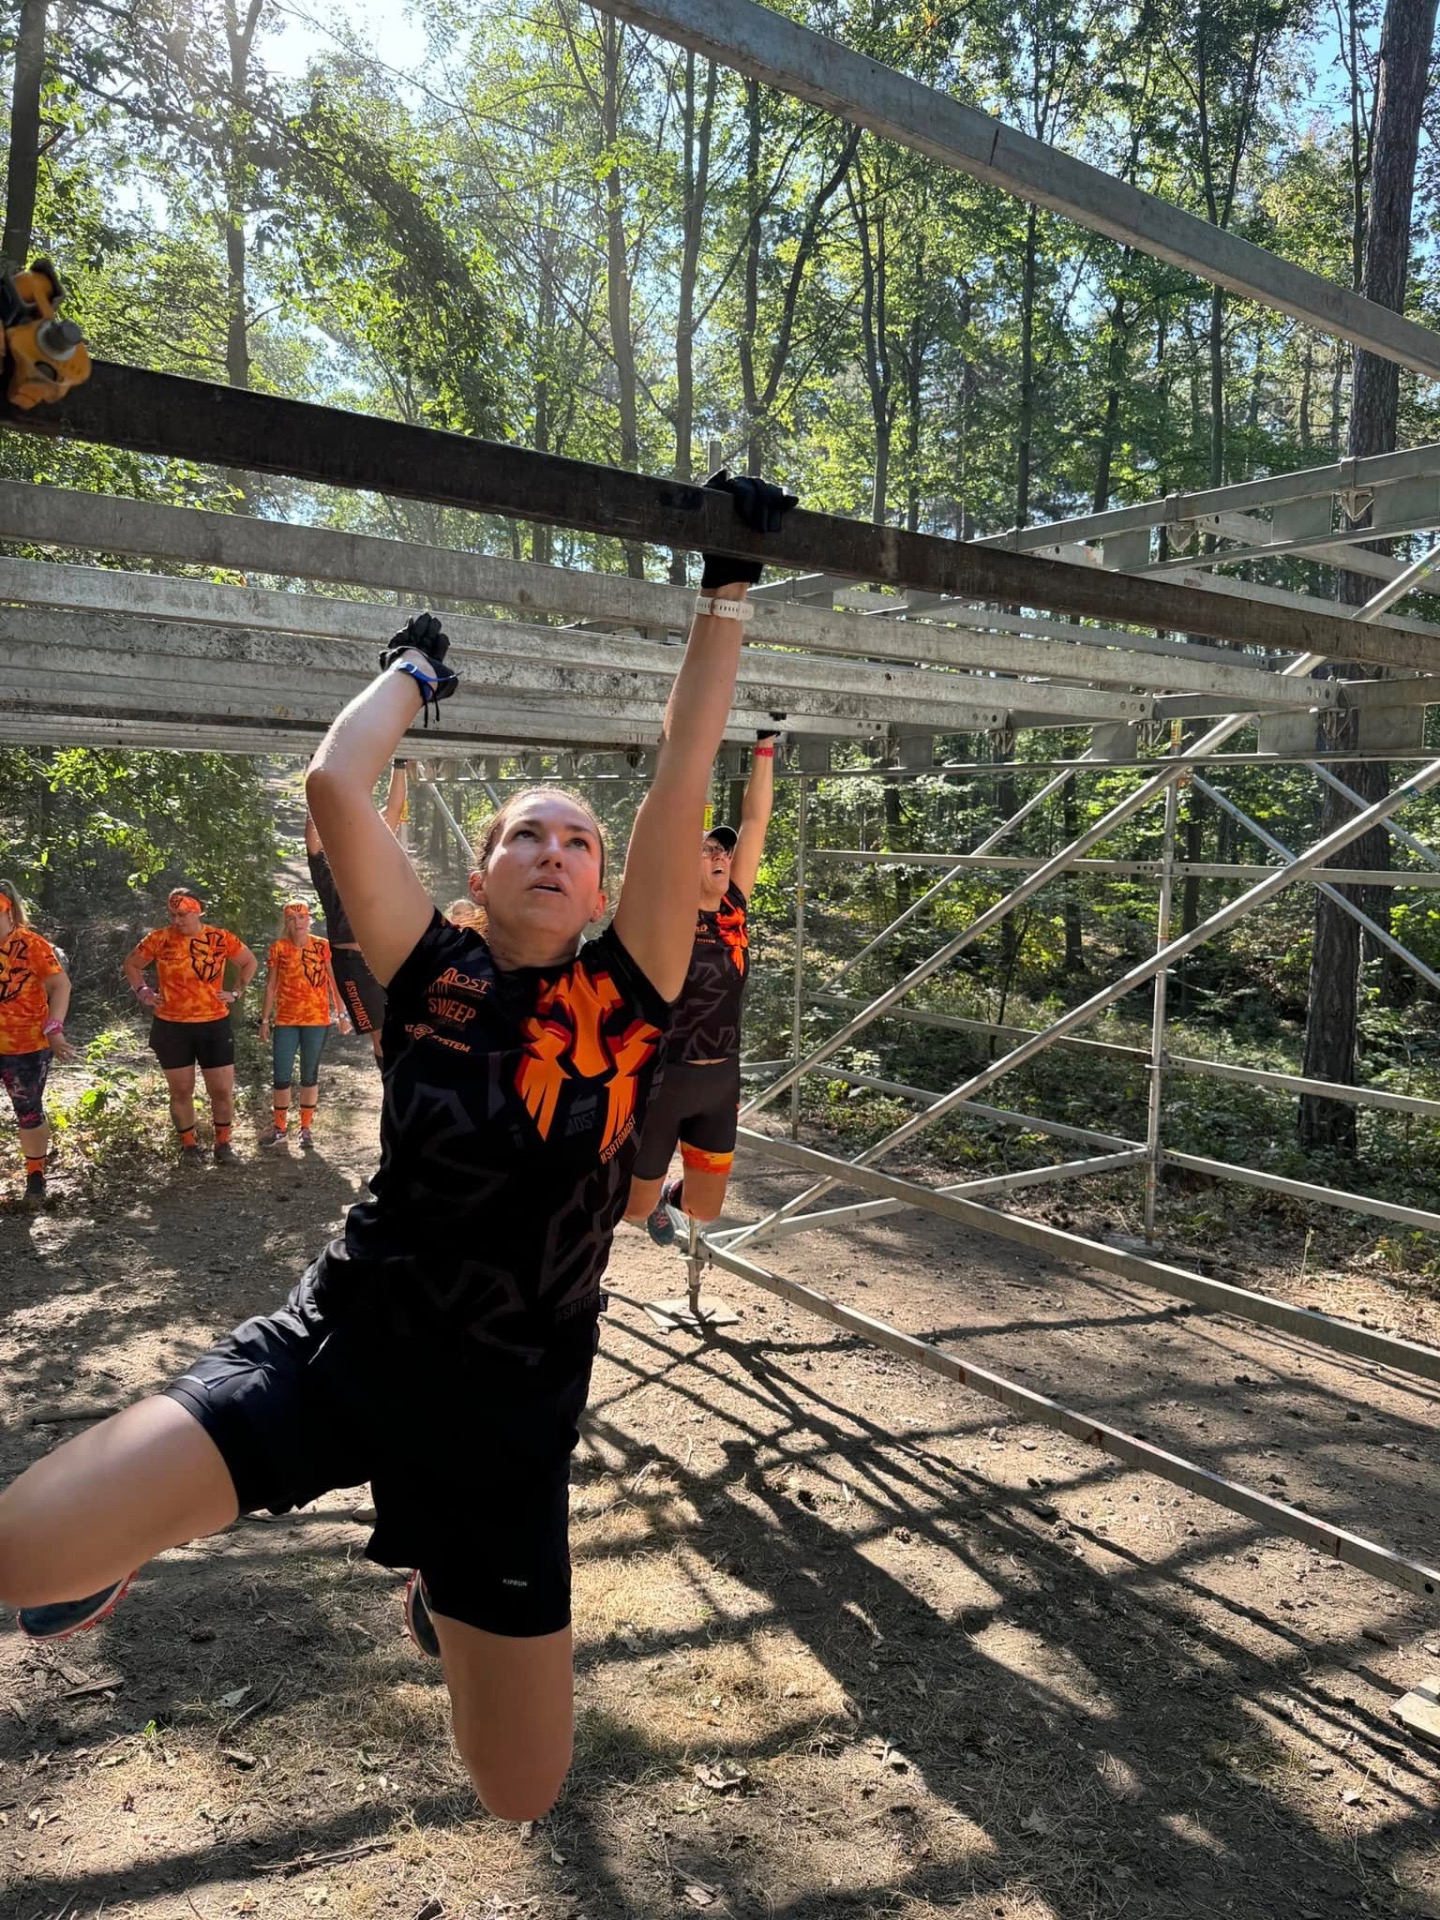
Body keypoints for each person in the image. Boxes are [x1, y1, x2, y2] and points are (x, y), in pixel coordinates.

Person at [0, 470, 795, 1827]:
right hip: (344, 1347)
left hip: (507, 1419)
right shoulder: (429, 971)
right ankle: (137, 1533)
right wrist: (415, 675)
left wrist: (725, 594)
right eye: (525, 834)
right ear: (479, 874)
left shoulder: (630, 992)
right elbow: (333, 782)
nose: (553, 850)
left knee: (518, 1791)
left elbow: (682, 780)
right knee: (22, 1554)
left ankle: (438, 1576)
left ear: (605, 887)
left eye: (577, 841)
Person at [624, 729, 777, 1247]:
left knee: (704, 1208)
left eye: (722, 850)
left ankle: (668, 1193)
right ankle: (643, 1198)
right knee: (633, 1207)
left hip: (720, 1080)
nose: (721, 855)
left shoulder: (734, 908)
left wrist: (765, 746)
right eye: (707, 848)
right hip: (664, 1077)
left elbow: (755, 822)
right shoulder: (665, 912)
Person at [122, 887, 258, 1167]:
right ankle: (189, 1147)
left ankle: (223, 1144)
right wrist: (143, 992)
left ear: (198, 911)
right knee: (181, 1091)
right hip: (172, 1026)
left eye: (182, 914)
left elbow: (249, 962)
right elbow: (132, 964)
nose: (176, 920)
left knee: (221, 1090)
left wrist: (235, 993)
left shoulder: (220, 938)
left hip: (214, 1024)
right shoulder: (159, 938)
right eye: (172, 914)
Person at [307, 760, 407, 1061]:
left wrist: (400, 764)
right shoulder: (325, 865)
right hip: (352, 964)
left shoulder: (372, 855)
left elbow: (394, 811)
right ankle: (391, 1085)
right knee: (381, 1037)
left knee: (402, 1030)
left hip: (387, 958)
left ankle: (407, 1085)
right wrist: (317, 771)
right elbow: (312, 828)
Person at [0, 880, 75, 1210]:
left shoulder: (31, 944)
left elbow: (61, 986)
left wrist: (54, 1028)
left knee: (28, 1110)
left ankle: (35, 1178)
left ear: (9, 910)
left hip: (26, 1044)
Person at [258, 900, 351, 1150]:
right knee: (281, 1075)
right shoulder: (279, 948)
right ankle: (280, 1129)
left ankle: (305, 1129)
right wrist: (264, 1020)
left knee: (309, 1075)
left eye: (301, 917)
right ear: (286, 922)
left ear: (309, 919)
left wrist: (342, 1015)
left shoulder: (321, 946)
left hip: (316, 1020)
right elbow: (271, 986)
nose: (297, 922)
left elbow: (333, 982)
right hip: (285, 1020)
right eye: (291, 918)